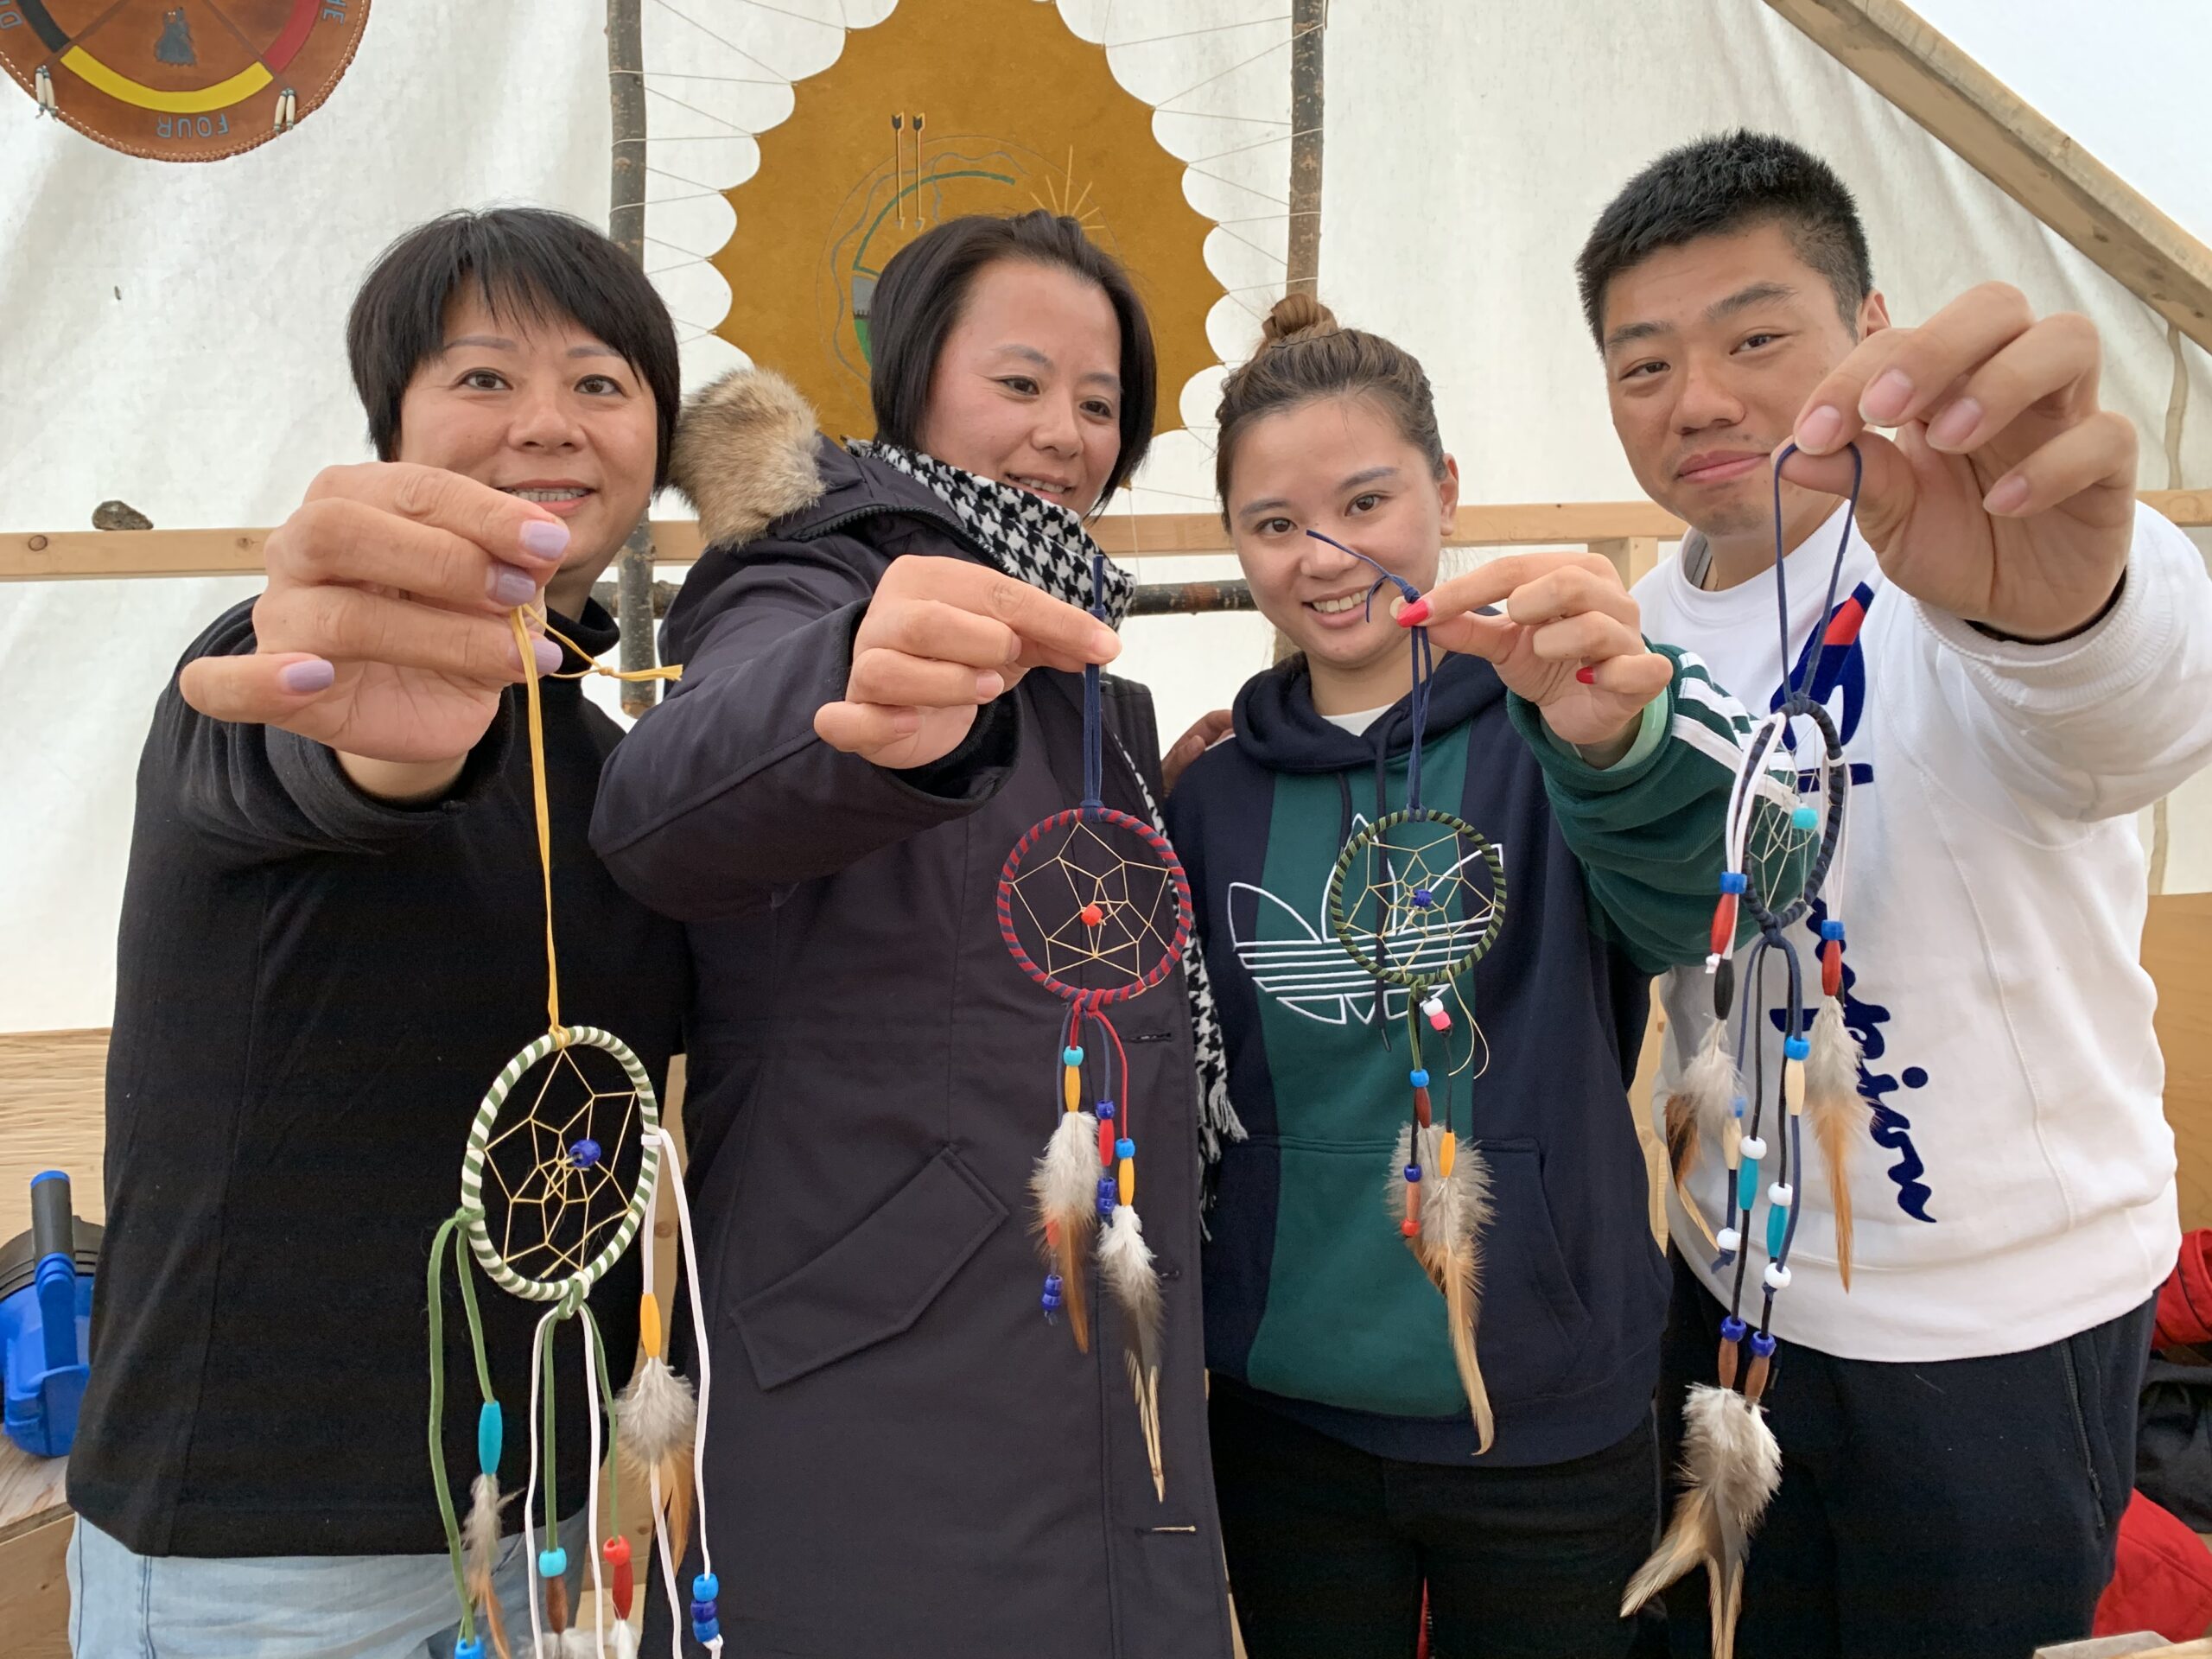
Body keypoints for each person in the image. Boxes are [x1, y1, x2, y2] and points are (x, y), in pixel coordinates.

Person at [1576, 130, 2212, 1657]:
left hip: (2000, 1322)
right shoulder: (1636, 627)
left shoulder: (1997, 543)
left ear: (1871, 331)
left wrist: (2067, 615)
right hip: (1727, 1293)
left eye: (1755, 335)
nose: (1700, 400)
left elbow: (2137, 713)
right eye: (1643, 363)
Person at [589, 210, 1234, 1658]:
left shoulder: (1093, 689)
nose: (1062, 433)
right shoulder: (814, 585)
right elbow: (666, 806)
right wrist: (856, 705)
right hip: (884, 1367)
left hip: (1086, 1358)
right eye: (1019, 383)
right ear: (916, 383)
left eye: (1097, 401)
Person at [67, 207, 688, 1658]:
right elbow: (331, 759)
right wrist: (383, 738)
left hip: (525, 1526)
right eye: (482, 379)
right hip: (259, 1551)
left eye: (600, 383)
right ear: (390, 429)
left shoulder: (612, 769)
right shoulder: (267, 666)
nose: (548, 421)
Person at [1163, 295, 1789, 1659]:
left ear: (1446, 493)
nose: (1325, 557)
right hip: (1288, 1421)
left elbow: (1706, 905)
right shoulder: (1207, 800)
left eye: (1367, 500)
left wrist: (1623, 750)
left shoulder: (1564, 726)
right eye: (1274, 524)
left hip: (1551, 1409)